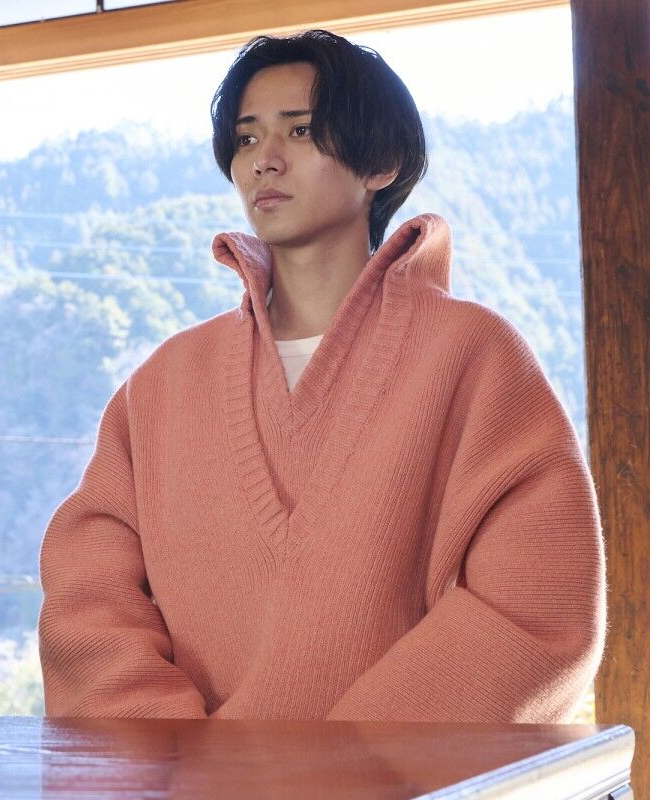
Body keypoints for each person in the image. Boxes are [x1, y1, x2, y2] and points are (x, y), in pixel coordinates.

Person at [38, 30, 603, 722]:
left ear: (381, 164)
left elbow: (536, 605)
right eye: (246, 139)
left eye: (299, 131)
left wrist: (352, 759)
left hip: (402, 777)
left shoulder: (475, 357)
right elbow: (89, 596)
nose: (264, 160)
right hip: (195, 774)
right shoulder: (162, 384)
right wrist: (176, 751)